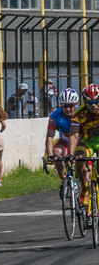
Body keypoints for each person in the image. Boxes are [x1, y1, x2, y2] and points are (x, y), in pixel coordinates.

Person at [69, 84, 99, 223]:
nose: (94, 106)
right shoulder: (79, 114)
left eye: (96, 102)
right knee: (79, 157)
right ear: (84, 102)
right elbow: (74, 136)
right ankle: (84, 188)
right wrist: (70, 154)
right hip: (88, 142)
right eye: (90, 103)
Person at [45, 88, 78, 185]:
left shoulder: (80, 113)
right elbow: (50, 136)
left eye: (71, 106)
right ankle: (62, 178)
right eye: (64, 106)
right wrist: (50, 154)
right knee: (57, 153)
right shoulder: (55, 115)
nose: (68, 109)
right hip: (64, 141)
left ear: (75, 104)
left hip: (79, 141)